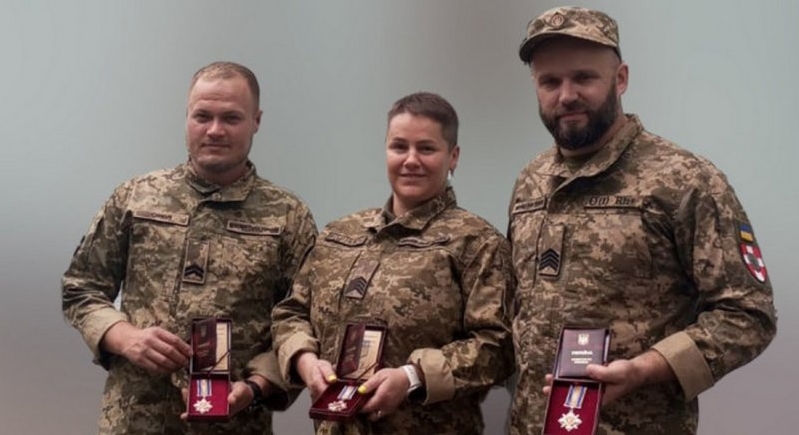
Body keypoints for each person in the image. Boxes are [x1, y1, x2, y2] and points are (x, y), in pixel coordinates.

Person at [507, 6, 777, 435]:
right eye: (550, 82)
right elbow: (518, 309)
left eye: (584, 78)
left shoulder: (683, 178)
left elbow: (749, 314)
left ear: (621, 79)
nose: (567, 95)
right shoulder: (531, 181)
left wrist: (647, 368)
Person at [62, 61, 317, 435]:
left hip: (236, 425)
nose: (215, 130)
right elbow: (80, 288)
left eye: (231, 118)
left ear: (256, 121)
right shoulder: (136, 197)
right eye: (203, 116)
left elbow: (303, 320)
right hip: (134, 420)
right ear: (187, 117)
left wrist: (255, 387)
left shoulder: (288, 216)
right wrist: (125, 337)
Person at [272, 92, 514, 435]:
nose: (411, 160)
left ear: (453, 156)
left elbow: (498, 346)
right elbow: (291, 313)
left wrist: (412, 377)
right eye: (399, 147)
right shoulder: (338, 235)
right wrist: (304, 361)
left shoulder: (477, 243)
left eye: (426, 148)